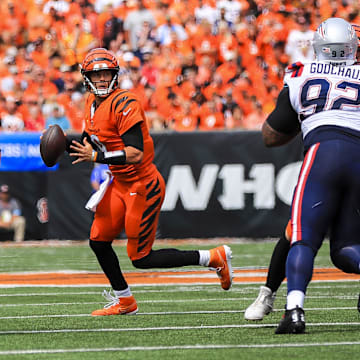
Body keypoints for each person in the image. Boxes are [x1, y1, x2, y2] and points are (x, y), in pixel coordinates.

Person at [66, 48, 233, 316]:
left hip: (142, 184)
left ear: (115, 75)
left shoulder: (125, 103)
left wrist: (96, 155)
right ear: (86, 78)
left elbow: (135, 153)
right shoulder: (90, 103)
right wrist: (61, 144)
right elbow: (89, 140)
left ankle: (212, 257)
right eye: (95, 75)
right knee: (98, 240)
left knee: (141, 258)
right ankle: (125, 301)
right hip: (119, 183)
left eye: (105, 73)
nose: (100, 79)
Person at [260, 18, 360, 334]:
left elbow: (270, 135)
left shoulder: (300, 73)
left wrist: (305, 121)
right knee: (346, 250)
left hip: (323, 153)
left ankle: (294, 311)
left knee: (303, 237)